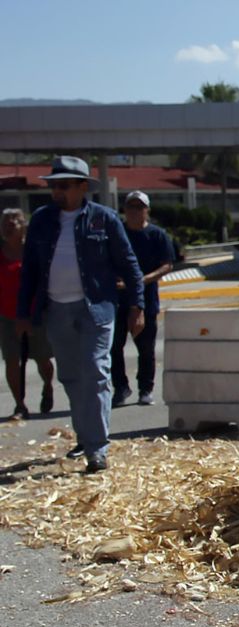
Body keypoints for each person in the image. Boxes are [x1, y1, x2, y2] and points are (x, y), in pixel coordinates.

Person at [15, 155, 144, 473]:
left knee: (96, 372)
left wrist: (136, 306)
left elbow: (129, 264)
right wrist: (23, 312)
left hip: (96, 309)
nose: (56, 191)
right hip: (56, 310)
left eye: (63, 185)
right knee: (71, 377)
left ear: (82, 187)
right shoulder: (42, 220)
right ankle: (86, 439)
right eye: (53, 185)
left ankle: (97, 449)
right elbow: (30, 269)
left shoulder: (104, 219)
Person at [111, 191, 173, 407]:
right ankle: (120, 387)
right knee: (114, 346)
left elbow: (167, 264)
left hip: (147, 300)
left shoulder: (157, 235)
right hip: (118, 300)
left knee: (146, 348)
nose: (134, 211)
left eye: (139, 207)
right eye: (130, 207)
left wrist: (141, 281)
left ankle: (145, 388)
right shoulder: (118, 234)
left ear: (147, 210)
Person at [0, 208, 54, 419]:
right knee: (12, 360)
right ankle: (20, 405)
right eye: (5, 221)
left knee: (42, 359)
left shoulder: (34, 250)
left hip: (34, 314)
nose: (9, 224)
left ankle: (48, 386)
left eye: (14, 220)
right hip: (6, 315)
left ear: (24, 226)